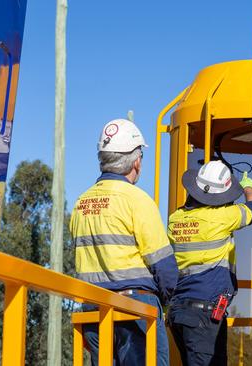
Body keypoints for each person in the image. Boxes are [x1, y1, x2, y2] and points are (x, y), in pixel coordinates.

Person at [70, 119, 178, 366]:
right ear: (137, 161)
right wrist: (168, 302)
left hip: (92, 310)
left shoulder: (81, 203)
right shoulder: (136, 200)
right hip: (136, 308)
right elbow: (164, 267)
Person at [166, 160, 252, 365]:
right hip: (204, 314)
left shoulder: (175, 218)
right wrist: (248, 187)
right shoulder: (223, 217)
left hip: (179, 310)